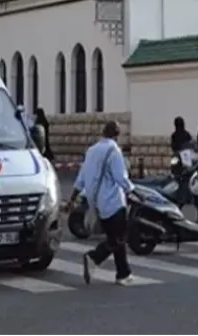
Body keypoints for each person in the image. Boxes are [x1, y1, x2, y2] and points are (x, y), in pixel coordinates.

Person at [64, 120, 136, 286]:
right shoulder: (114, 151)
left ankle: (123, 273)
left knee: (115, 237)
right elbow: (121, 177)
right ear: (117, 135)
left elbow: (81, 178)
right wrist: (132, 190)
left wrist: (72, 198)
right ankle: (93, 257)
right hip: (114, 202)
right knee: (118, 238)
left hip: (97, 203)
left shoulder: (91, 151)